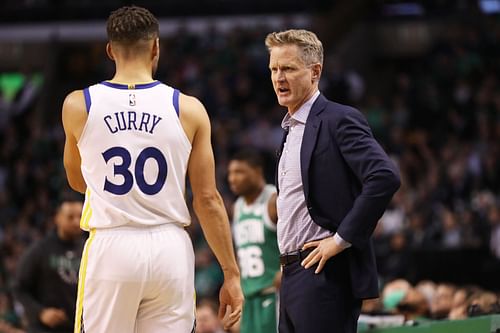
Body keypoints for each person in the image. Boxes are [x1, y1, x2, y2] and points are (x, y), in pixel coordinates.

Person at [61, 6, 243, 332]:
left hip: (112, 245)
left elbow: (78, 180)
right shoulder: (189, 108)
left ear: (110, 50)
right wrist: (230, 272)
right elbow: (208, 199)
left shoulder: (78, 105)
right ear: (156, 47)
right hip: (170, 248)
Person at [265, 29, 401, 333]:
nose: (278, 78)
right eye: (273, 69)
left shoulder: (339, 118)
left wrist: (340, 240)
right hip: (291, 276)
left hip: (322, 274)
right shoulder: (289, 130)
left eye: (287, 68)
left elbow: (384, 176)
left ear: (315, 72)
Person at [228, 150, 281, 333]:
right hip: (248, 298)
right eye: (230, 173)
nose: (232, 179)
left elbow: (296, 238)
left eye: (239, 172)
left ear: (257, 172)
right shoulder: (237, 207)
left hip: (272, 295)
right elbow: (240, 253)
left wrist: (283, 270)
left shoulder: (274, 200)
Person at [14, 198, 85, 333]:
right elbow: (19, 287)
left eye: (80, 216)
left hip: (78, 328)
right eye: (70, 217)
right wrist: (40, 312)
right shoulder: (40, 249)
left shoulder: (88, 248)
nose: (77, 222)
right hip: (45, 329)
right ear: (57, 218)